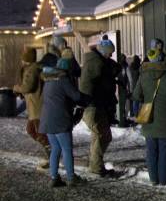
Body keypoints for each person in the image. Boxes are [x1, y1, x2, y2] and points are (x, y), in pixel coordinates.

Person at [132, 47, 166, 185]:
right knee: (164, 151)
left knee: (151, 151)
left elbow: (135, 95)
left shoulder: (143, 75)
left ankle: (153, 178)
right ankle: (164, 179)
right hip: (165, 118)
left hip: (148, 119)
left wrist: (147, 99)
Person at [39, 57, 87, 187]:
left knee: (55, 148)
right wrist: (86, 98)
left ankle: (54, 178)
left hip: (47, 120)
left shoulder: (48, 80)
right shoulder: (63, 79)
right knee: (66, 149)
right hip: (60, 120)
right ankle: (71, 178)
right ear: (66, 70)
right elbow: (76, 96)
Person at [79, 39, 118, 176]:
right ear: (103, 52)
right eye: (109, 53)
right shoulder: (97, 64)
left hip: (92, 104)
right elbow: (101, 84)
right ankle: (96, 166)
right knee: (104, 136)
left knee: (98, 135)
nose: (111, 56)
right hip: (93, 105)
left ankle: (95, 165)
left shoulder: (95, 61)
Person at [13, 47, 50, 169]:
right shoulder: (35, 68)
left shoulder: (31, 70)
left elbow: (28, 87)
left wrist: (16, 88)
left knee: (38, 132)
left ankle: (52, 155)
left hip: (36, 107)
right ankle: (52, 153)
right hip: (36, 106)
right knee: (32, 130)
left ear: (26, 58)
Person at [115, 53, 131, 127]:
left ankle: (120, 120)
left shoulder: (116, 66)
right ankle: (122, 121)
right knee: (124, 105)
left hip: (117, 88)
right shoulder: (126, 67)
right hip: (123, 88)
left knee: (119, 106)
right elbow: (130, 79)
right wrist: (130, 89)